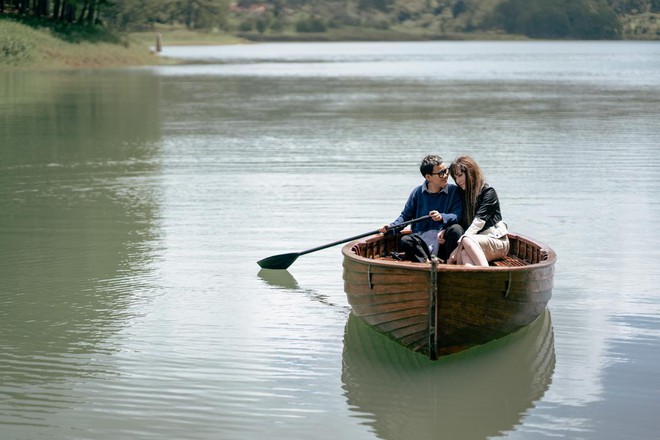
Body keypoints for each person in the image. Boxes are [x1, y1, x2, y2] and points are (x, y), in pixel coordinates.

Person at [379, 155, 463, 263]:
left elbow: (457, 215)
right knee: (405, 240)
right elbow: (405, 217)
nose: (446, 175)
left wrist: (442, 217)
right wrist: (390, 227)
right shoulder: (417, 193)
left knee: (456, 229)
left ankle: (448, 263)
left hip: (443, 242)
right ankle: (427, 263)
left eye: (446, 171)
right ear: (428, 177)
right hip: (422, 246)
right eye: (441, 173)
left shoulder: (454, 191)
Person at [447, 155, 509, 266]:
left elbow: (478, 223)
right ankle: (476, 280)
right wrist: (443, 230)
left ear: (471, 172)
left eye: (460, 175)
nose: (458, 181)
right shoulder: (463, 195)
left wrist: (456, 250)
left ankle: (487, 273)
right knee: (464, 254)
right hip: (475, 244)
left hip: (498, 242)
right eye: (455, 177)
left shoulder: (488, 192)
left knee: (465, 241)